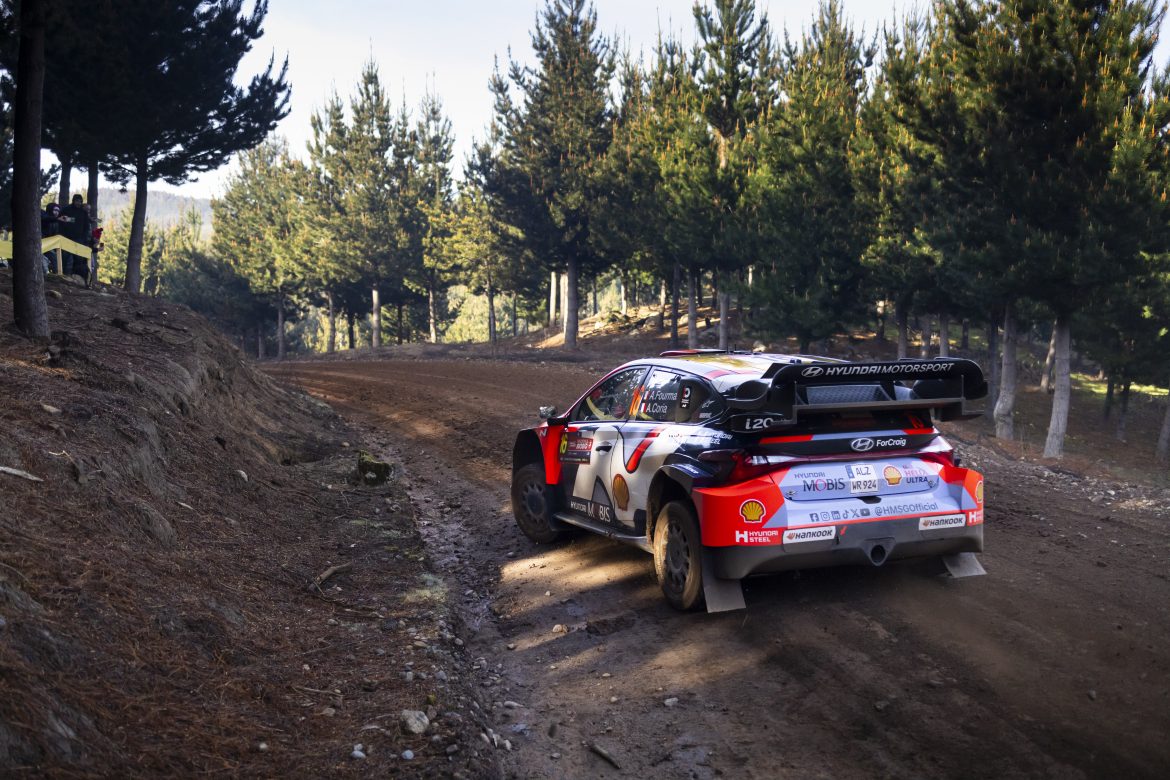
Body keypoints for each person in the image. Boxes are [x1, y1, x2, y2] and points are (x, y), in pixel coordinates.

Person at [61, 194, 93, 281]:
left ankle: (77, 276)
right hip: (67, 238)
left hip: (79, 239)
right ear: (73, 201)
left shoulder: (83, 212)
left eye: (80, 201)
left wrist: (84, 238)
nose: (78, 203)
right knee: (66, 257)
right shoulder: (66, 209)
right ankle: (64, 275)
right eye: (77, 201)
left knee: (78, 258)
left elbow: (86, 226)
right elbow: (61, 221)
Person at [40, 202, 63, 273]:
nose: (57, 212)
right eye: (55, 210)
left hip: (50, 245)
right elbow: (46, 219)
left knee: (55, 258)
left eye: (58, 211)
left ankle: (56, 274)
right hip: (41, 244)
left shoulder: (56, 223)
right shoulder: (44, 215)